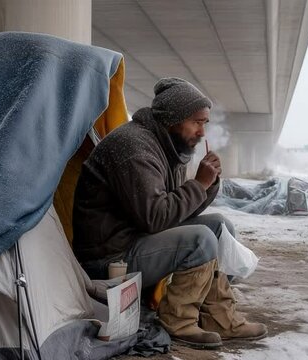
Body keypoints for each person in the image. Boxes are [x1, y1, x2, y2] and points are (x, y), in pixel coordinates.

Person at [72, 77, 267, 349]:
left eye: (204, 123)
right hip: (108, 260)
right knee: (201, 240)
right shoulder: (133, 147)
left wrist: (208, 185)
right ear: (172, 119)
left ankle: (219, 318)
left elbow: (176, 212)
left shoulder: (168, 147)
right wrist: (199, 184)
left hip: (136, 242)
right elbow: (155, 217)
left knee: (219, 227)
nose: (202, 132)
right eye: (196, 122)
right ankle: (178, 321)